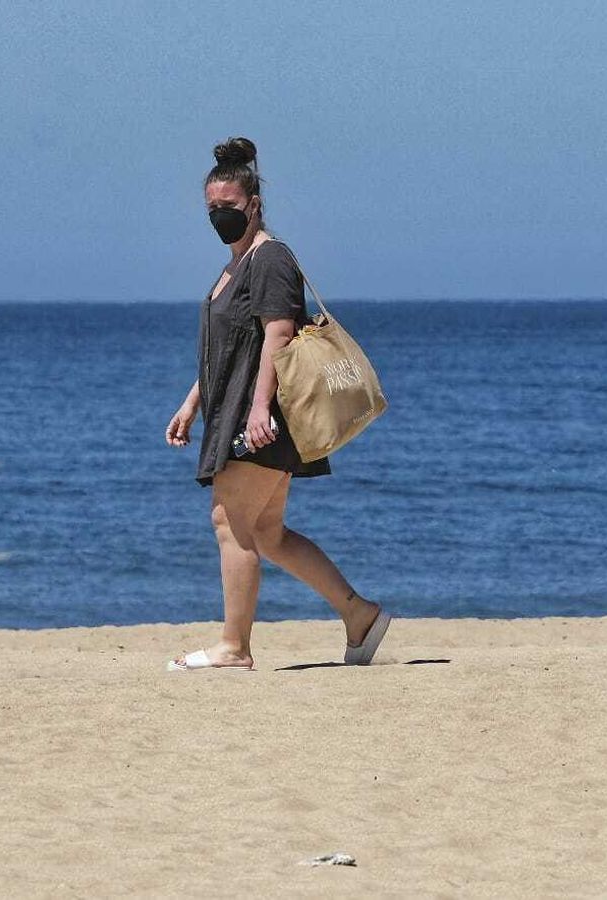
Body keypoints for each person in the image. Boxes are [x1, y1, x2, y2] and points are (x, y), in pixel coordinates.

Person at [164, 136, 390, 671]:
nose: (219, 217)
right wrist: (192, 402)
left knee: (230, 521)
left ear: (255, 205)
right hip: (241, 410)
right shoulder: (233, 267)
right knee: (266, 532)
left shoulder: (270, 259)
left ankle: (234, 648)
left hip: (260, 416)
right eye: (212, 209)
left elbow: (279, 334)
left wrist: (260, 408)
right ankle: (359, 615)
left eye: (229, 208)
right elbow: (229, 348)